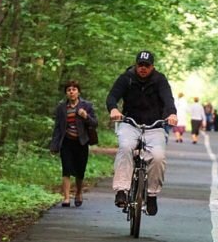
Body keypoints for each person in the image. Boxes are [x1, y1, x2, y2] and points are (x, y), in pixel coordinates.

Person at [106, 50, 178, 216]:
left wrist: (171, 114)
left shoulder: (160, 79)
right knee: (125, 148)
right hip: (130, 123)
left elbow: (168, 100)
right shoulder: (127, 78)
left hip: (154, 125)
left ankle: (152, 195)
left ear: (152, 66)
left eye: (147, 66)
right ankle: (122, 190)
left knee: (158, 157)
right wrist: (113, 109)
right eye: (140, 65)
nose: (143, 68)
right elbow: (112, 96)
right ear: (136, 64)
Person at [49, 80, 98, 207]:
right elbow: (58, 127)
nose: (71, 92)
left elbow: (95, 123)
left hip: (81, 142)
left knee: (80, 170)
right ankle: (66, 198)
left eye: (74, 89)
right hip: (66, 142)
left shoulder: (86, 106)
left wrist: (85, 116)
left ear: (78, 92)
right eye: (69, 90)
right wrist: (54, 145)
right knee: (66, 169)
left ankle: (78, 193)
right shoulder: (61, 107)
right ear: (66, 93)